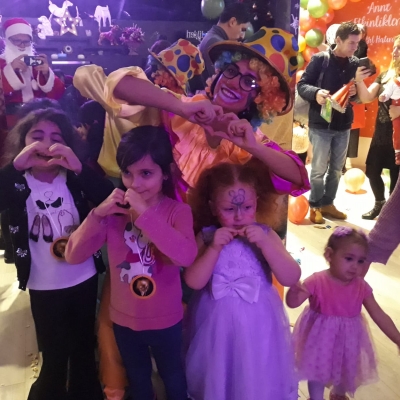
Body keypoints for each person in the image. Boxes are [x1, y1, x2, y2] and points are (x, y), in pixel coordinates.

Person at [65, 126, 198, 400]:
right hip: (124, 320)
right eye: (127, 173)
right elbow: (73, 255)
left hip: (166, 320)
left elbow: (184, 256)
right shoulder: (114, 214)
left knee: (174, 378)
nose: (135, 184)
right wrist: (97, 214)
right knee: (138, 381)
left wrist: (145, 213)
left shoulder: (178, 211)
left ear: (165, 173)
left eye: (146, 173)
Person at [0, 108, 113, 400]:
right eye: (36, 137)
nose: (46, 144)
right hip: (43, 284)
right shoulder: (17, 183)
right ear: (22, 143)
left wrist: (79, 167)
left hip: (83, 277)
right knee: (53, 352)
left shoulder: (72, 178)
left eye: (56, 138)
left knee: (83, 349)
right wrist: (15, 166)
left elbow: (108, 197)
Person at [184, 162, 300, 400]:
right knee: (219, 372)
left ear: (257, 201)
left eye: (247, 207)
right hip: (215, 325)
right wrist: (214, 248)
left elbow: (291, 276)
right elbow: (193, 281)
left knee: (256, 369)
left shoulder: (266, 234)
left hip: (260, 322)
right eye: (229, 209)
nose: (239, 216)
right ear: (212, 207)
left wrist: (265, 244)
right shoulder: (207, 237)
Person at [287, 226, 400, 400]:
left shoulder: (361, 286)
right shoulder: (317, 281)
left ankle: (338, 394)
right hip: (320, 339)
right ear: (329, 255)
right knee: (317, 371)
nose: (355, 266)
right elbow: (293, 303)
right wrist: (293, 291)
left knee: (347, 369)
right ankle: (316, 397)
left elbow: (379, 315)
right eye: (349, 258)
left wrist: (397, 338)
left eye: (361, 261)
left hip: (349, 340)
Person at [297, 22, 361, 224]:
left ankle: (328, 203)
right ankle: (315, 204)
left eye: (357, 43)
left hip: (343, 124)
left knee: (336, 170)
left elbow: (358, 96)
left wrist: (355, 92)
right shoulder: (320, 59)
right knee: (318, 169)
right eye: (351, 43)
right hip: (321, 124)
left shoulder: (354, 63)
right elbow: (301, 85)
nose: (355, 47)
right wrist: (316, 93)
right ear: (338, 40)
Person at [354, 35, 400, 219]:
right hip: (381, 132)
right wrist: (359, 80)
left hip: (398, 136)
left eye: (399, 48)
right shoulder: (385, 75)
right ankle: (380, 204)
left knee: (396, 177)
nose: (394, 51)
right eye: (394, 47)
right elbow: (366, 97)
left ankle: (392, 213)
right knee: (372, 170)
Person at [0, 18, 65, 127]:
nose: (22, 45)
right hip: (9, 120)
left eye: (26, 41)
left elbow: (59, 93)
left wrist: (47, 74)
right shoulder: (1, 62)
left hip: (37, 118)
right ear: (8, 40)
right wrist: (10, 70)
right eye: (17, 41)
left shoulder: (35, 63)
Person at [199, 2, 252, 81]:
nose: (242, 36)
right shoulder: (217, 43)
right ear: (232, 22)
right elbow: (225, 81)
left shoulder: (212, 38)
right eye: (242, 30)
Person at [378, 59, 400, 156]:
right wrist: (384, 96)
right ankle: (398, 152)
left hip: (395, 110)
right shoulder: (394, 82)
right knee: (397, 131)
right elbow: (387, 92)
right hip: (394, 108)